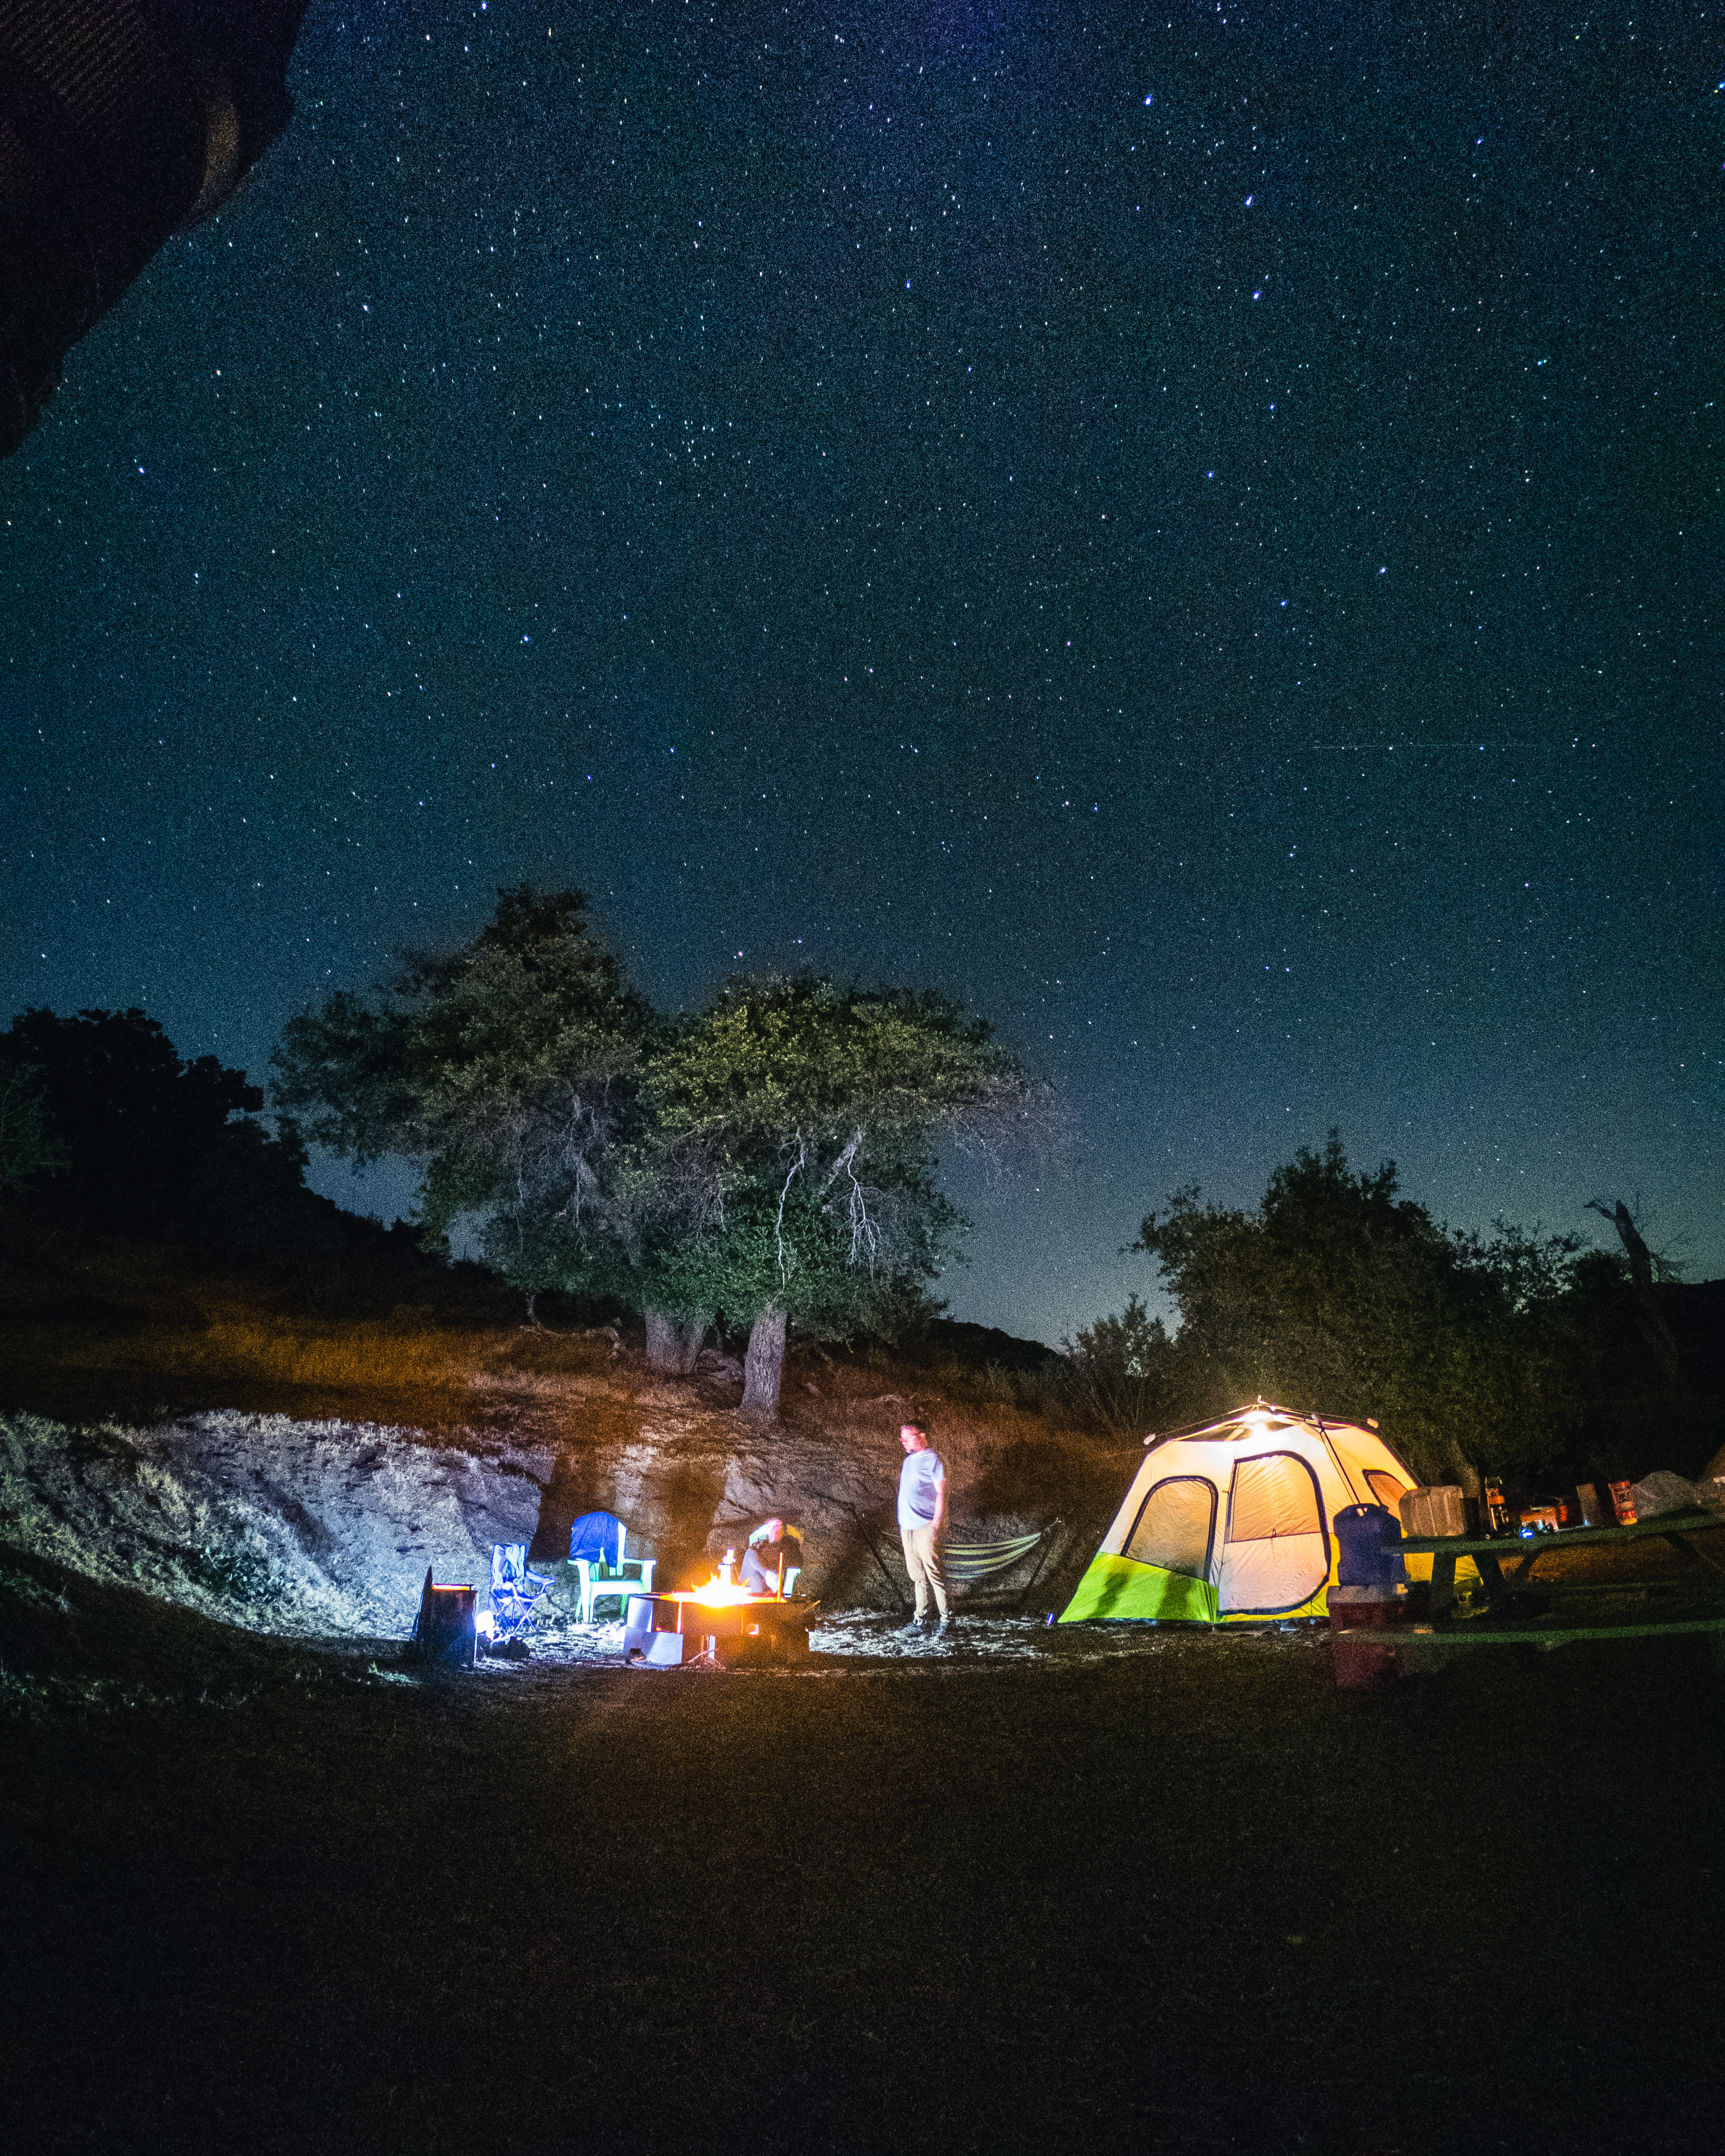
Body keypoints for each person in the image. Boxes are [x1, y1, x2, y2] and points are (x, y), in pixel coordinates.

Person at [896, 1422, 952, 1634]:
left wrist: (935, 1524)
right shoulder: (908, 1461)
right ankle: (920, 1620)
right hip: (907, 1528)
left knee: (934, 1574)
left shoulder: (933, 1459)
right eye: (902, 1439)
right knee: (917, 1577)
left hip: (924, 1526)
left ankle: (946, 1620)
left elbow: (941, 1492)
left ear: (921, 1436)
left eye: (907, 1438)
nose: (904, 1442)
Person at [739, 1517, 803, 1597]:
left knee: (763, 1575)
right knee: (751, 1554)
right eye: (772, 1527)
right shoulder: (759, 1545)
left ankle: (771, 1579)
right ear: (767, 1530)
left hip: (777, 1583)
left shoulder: (788, 1546)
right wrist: (767, 1573)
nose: (776, 1529)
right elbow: (750, 1556)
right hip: (755, 1583)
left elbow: (794, 1564)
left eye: (779, 1526)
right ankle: (769, 1576)